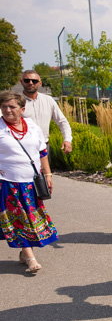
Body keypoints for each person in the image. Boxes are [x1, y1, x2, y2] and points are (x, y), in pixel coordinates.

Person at [0, 91, 57, 273]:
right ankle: (30, 257)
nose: (7, 110)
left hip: (31, 182)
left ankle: (25, 253)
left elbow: (42, 152)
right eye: (4, 107)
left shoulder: (31, 126)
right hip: (8, 181)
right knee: (20, 219)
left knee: (31, 218)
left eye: (12, 107)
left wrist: (48, 175)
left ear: (22, 109)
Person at [19, 70, 73, 154]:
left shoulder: (48, 100)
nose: (30, 83)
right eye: (27, 80)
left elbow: (62, 122)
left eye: (34, 81)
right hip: (22, 148)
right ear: (21, 82)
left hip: (44, 147)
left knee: (46, 168)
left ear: (40, 83)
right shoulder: (15, 102)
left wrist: (67, 140)